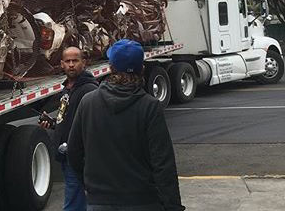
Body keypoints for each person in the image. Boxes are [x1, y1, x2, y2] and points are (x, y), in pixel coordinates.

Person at [67, 39, 185, 211]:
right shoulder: (149, 106)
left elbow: (73, 152)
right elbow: (163, 163)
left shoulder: (88, 102)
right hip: (143, 201)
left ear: (111, 68)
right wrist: (173, 206)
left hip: (100, 201)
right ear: (141, 69)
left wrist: (90, 184)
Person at [40, 46, 98, 211]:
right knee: (77, 200)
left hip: (78, 157)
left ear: (83, 63)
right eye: (68, 61)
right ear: (62, 64)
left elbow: (91, 126)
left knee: (73, 203)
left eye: (75, 60)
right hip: (67, 156)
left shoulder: (89, 90)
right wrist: (51, 123)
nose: (71, 64)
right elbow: (67, 119)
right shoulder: (67, 89)